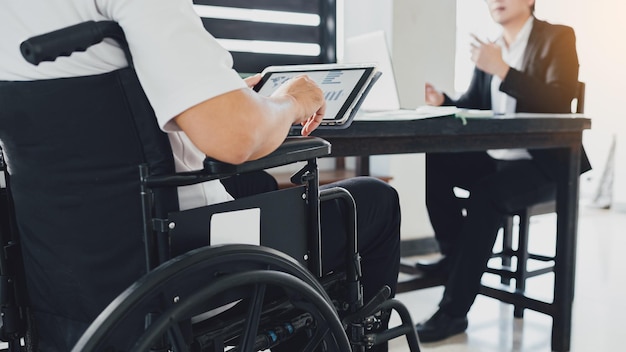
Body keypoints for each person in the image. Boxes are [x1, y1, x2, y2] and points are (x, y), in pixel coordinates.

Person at [0, 1, 400, 351]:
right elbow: (236, 138)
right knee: (372, 201)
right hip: (180, 266)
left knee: (257, 186)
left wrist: (220, 99)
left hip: (60, 274)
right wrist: (291, 101)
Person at [415, 0, 590, 343]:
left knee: (488, 195)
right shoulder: (491, 50)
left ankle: (453, 312)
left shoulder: (556, 38)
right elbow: (475, 105)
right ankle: (455, 256)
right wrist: (445, 102)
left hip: (545, 164)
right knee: (437, 158)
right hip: (499, 159)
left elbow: (559, 100)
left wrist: (504, 71)